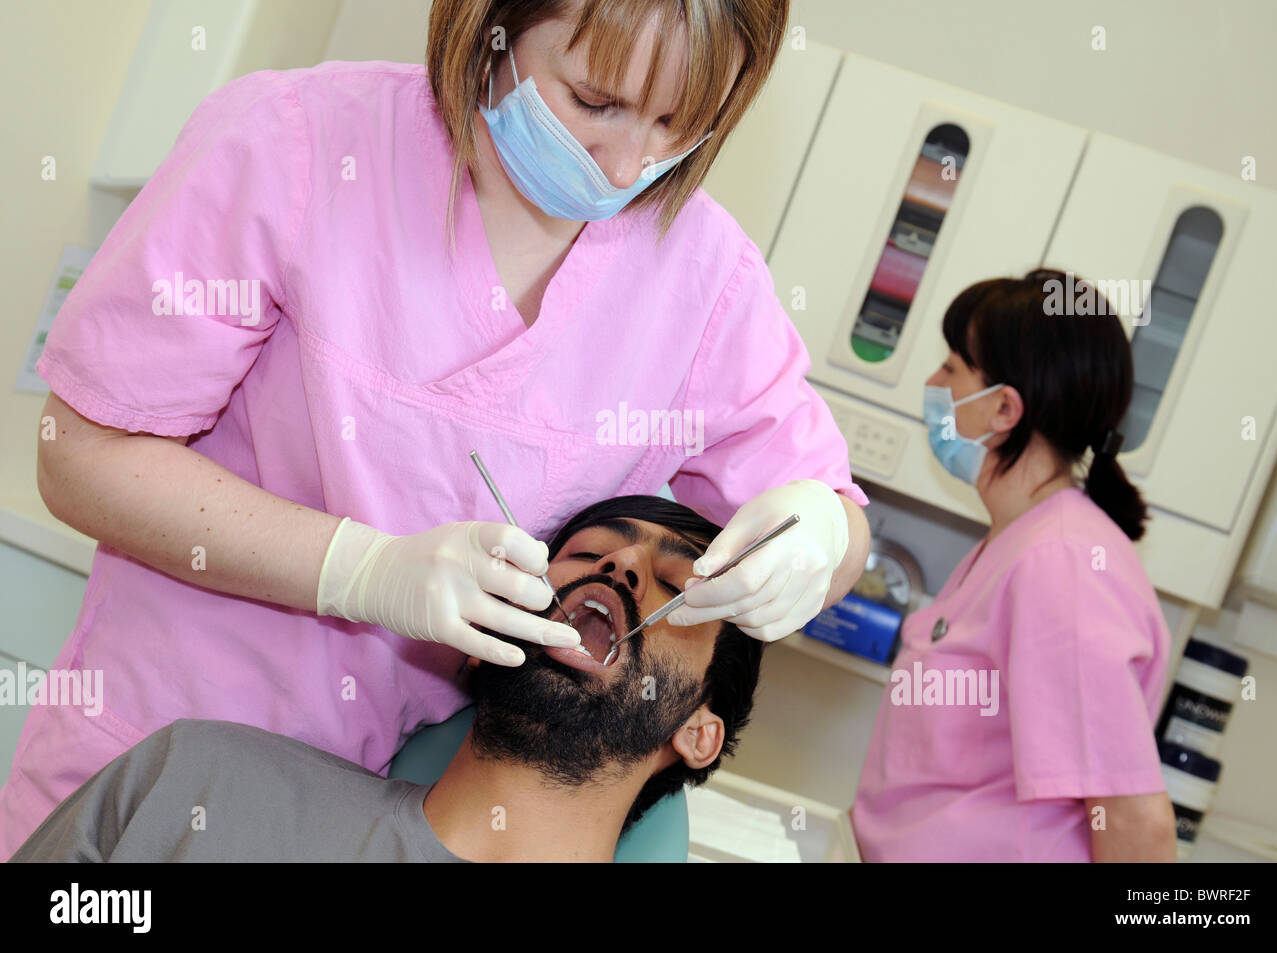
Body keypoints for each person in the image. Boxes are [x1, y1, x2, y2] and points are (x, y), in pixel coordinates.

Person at [1, 0, 871, 859]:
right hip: (149, 773)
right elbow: (80, 456)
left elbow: (835, 524)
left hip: (400, 815)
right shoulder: (297, 145)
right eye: (593, 102)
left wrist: (822, 535)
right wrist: (360, 569)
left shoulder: (704, 283)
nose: (625, 163)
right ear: (488, 22)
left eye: (678, 123)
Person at [11, 495, 763, 863]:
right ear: (476, 641)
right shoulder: (193, 780)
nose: (621, 567)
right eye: (589, 551)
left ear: (697, 733)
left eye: (677, 584)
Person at [853, 269, 1176, 862]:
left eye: (951, 367)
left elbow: (1136, 825)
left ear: (1004, 408)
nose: (932, 383)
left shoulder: (1063, 565)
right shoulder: (1017, 545)